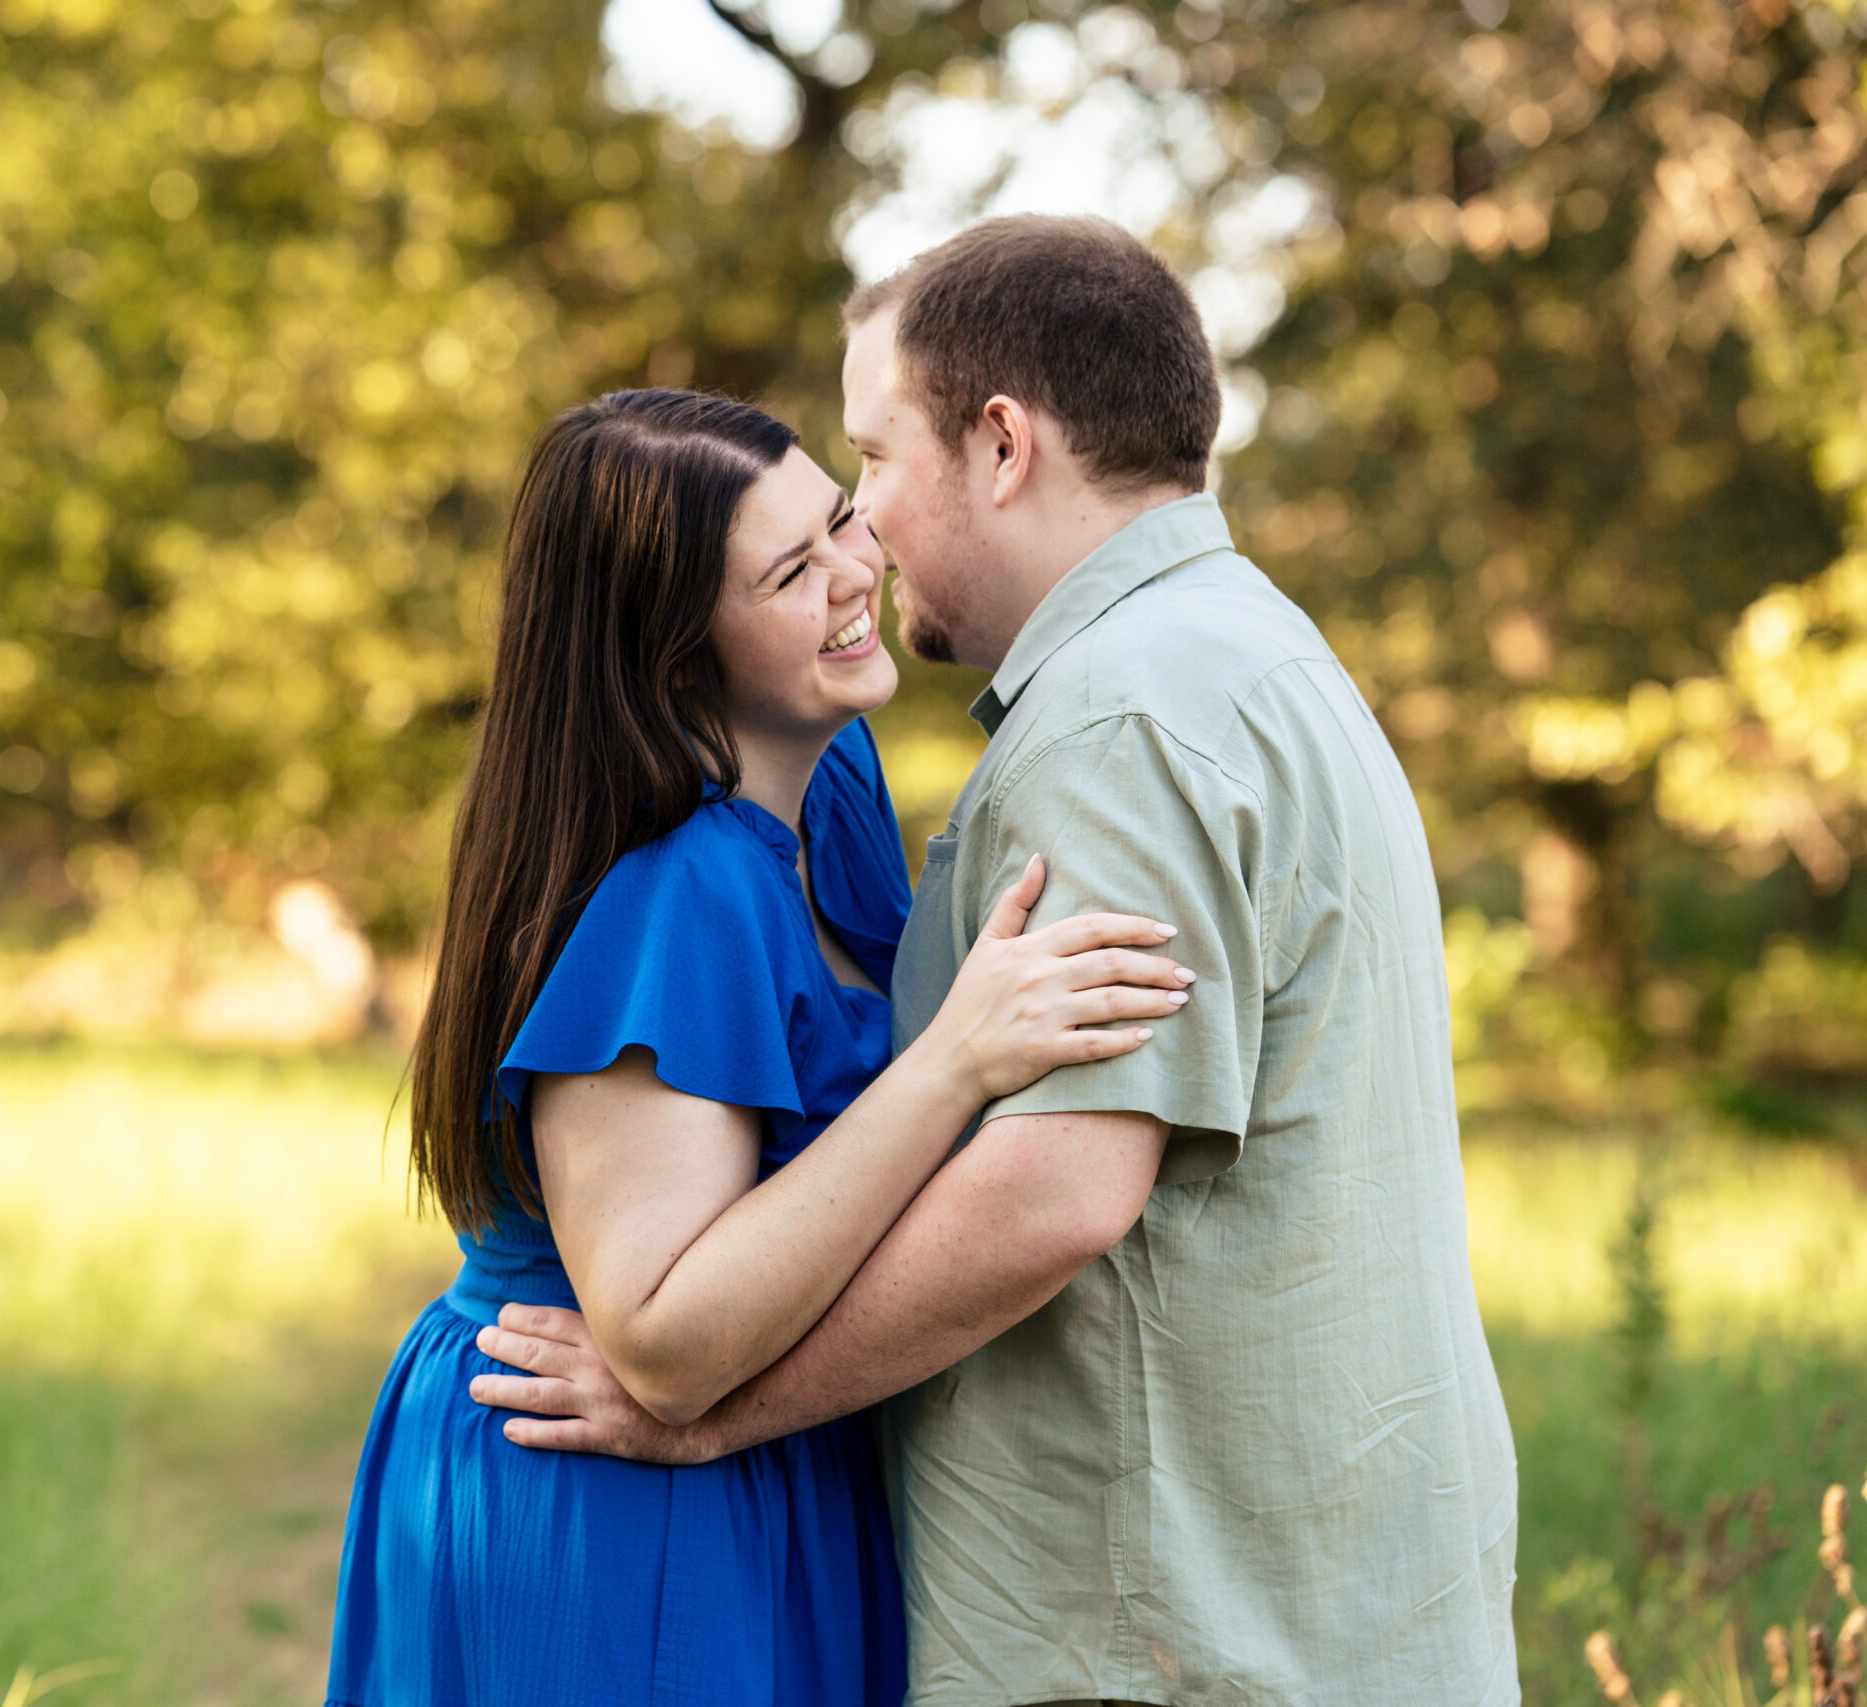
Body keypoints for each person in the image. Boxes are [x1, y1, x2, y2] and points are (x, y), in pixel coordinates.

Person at [472, 216, 1521, 1706]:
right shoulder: (1248, 647)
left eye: (873, 467)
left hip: (1171, 1626)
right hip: (1290, 1603)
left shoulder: (1116, 721)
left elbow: (1058, 1188)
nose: (867, 534)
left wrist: (717, 1417)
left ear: (1003, 444)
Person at [323, 387, 1197, 1707]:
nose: (857, 572)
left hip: (751, 1464)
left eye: (841, 518)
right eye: (792, 572)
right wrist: (956, 1061)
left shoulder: (830, 782)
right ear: (676, 658)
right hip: (610, 1498)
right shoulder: (682, 890)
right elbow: (665, 1338)